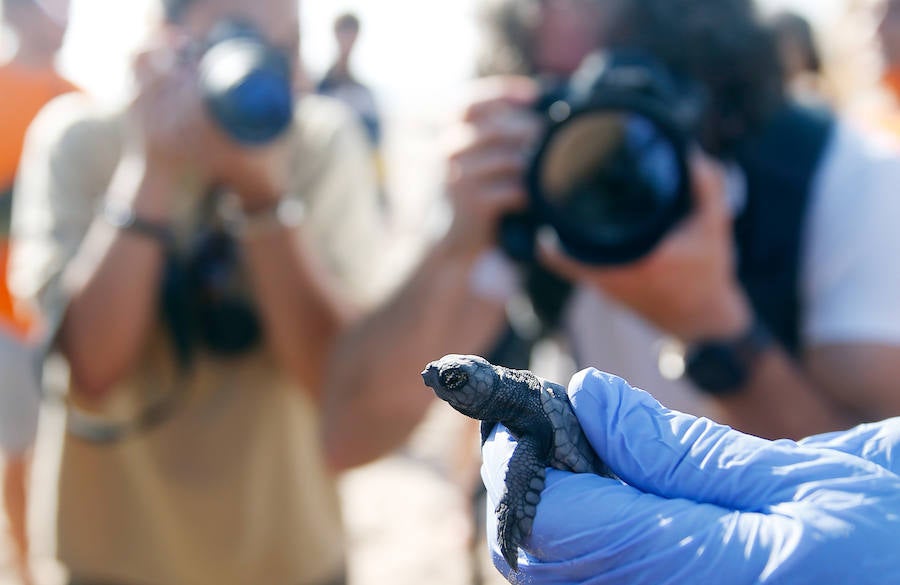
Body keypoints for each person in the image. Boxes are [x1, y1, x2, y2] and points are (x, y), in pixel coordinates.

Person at [9, 0, 385, 582]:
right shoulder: (80, 139)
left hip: (287, 552)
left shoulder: (317, 142)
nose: (258, 66)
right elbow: (93, 370)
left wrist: (264, 200)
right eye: (234, 35)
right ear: (166, 38)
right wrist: (151, 169)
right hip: (112, 556)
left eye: (280, 46)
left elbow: (332, 380)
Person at [481, 367, 900, 582]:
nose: (437, 382)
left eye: (454, 380)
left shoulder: (534, 410)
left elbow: (529, 458)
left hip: (609, 475)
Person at [0, 0, 74, 581]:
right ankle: (24, 566)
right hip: (5, 312)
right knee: (19, 449)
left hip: (65, 310)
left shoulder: (80, 101)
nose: (64, 16)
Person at [317, 13, 381, 150]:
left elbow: (374, 140)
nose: (348, 40)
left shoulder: (364, 94)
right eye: (344, 32)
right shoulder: (321, 88)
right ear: (336, 34)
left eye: (352, 33)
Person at [769, 10, 831, 106]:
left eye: (796, 46)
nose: (790, 53)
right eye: (784, 45)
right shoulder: (767, 98)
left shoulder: (817, 93)